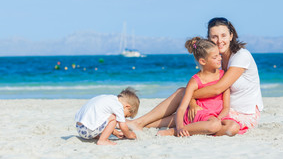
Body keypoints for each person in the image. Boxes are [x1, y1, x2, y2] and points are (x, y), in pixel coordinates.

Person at [127, 17, 263, 136]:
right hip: (218, 108)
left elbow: (218, 88)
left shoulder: (241, 56)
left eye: (223, 35)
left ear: (231, 36)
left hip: (241, 113)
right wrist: (190, 100)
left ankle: (176, 130)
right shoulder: (217, 59)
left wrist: (189, 95)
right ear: (209, 39)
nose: (219, 40)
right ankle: (140, 123)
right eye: (214, 37)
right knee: (188, 106)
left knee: (186, 97)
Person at [157, 37, 238, 137]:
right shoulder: (195, 81)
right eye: (215, 57)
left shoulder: (224, 77)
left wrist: (218, 118)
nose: (220, 58)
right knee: (214, 125)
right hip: (201, 114)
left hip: (217, 116)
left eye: (219, 55)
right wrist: (180, 127)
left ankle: (201, 129)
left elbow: (226, 107)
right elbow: (181, 109)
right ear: (203, 61)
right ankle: (173, 131)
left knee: (233, 127)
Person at [75, 87, 140, 145]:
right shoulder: (118, 106)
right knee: (113, 118)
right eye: (125, 116)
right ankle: (102, 140)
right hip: (88, 131)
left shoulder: (109, 98)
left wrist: (115, 132)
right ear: (127, 107)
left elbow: (102, 120)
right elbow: (123, 126)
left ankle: (96, 136)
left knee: (105, 116)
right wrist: (129, 135)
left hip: (79, 128)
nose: (123, 117)